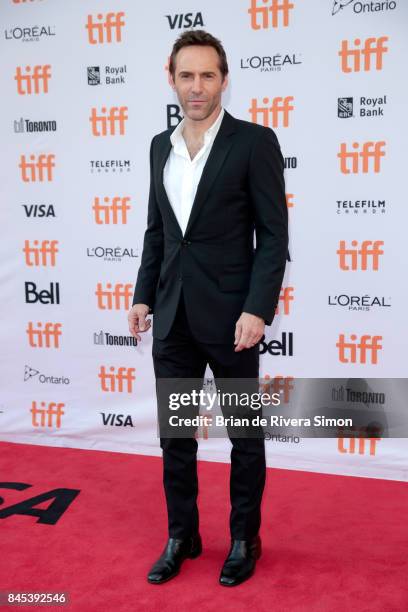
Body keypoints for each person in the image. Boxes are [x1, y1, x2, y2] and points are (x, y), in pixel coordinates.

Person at [128, 29, 288, 587]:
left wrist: (258, 309)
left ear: (224, 79)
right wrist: (143, 294)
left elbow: (273, 237)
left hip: (234, 320)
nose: (197, 87)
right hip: (171, 316)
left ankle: (245, 537)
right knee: (176, 433)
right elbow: (159, 232)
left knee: (244, 432)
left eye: (208, 75)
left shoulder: (253, 142)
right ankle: (182, 534)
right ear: (170, 78)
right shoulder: (158, 146)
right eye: (187, 75)